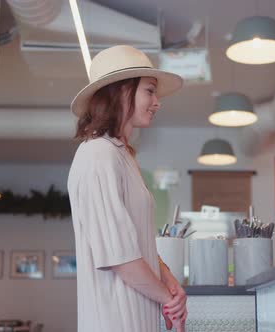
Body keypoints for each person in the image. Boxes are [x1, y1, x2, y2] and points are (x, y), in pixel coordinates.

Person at [67, 45, 186, 332]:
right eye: (150, 90)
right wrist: (169, 302)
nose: (157, 102)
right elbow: (119, 257)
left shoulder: (123, 156)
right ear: (122, 91)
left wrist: (169, 280)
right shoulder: (97, 155)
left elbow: (133, 241)